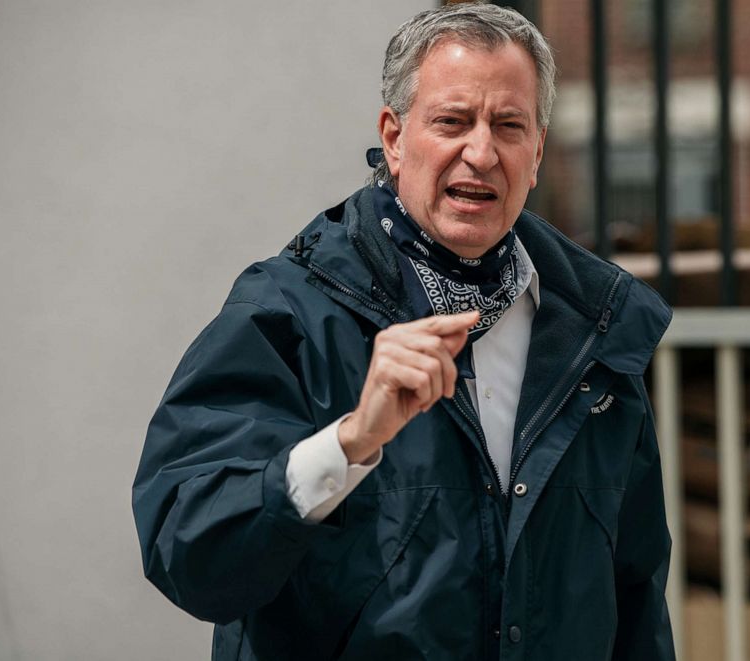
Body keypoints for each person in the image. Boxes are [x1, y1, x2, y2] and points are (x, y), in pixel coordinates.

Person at [133, 3, 675, 660]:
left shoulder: (595, 330)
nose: (481, 151)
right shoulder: (288, 310)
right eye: (451, 121)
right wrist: (351, 440)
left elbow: (636, 597)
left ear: (536, 152)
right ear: (394, 137)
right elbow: (190, 554)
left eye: (508, 125)